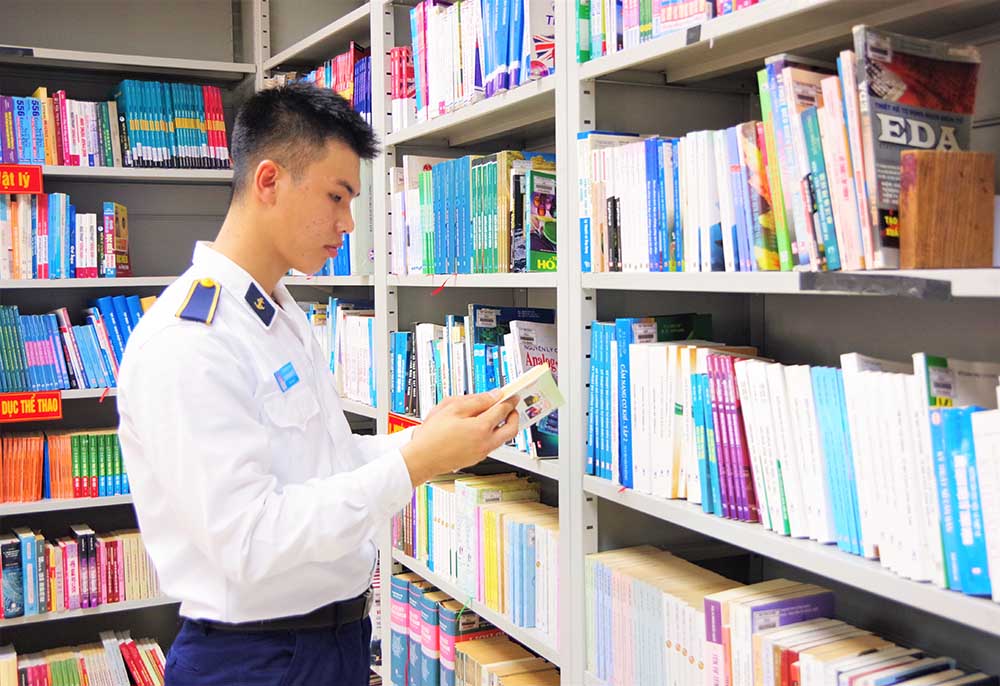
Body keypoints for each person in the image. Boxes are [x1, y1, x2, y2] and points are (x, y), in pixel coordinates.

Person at [116, 81, 520, 686]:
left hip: (332, 643)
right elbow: (250, 540)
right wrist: (412, 466)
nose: (348, 223)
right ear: (270, 181)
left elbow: (319, 469)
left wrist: (424, 442)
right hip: (253, 660)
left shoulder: (277, 314)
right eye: (336, 196)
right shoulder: (190, 340)